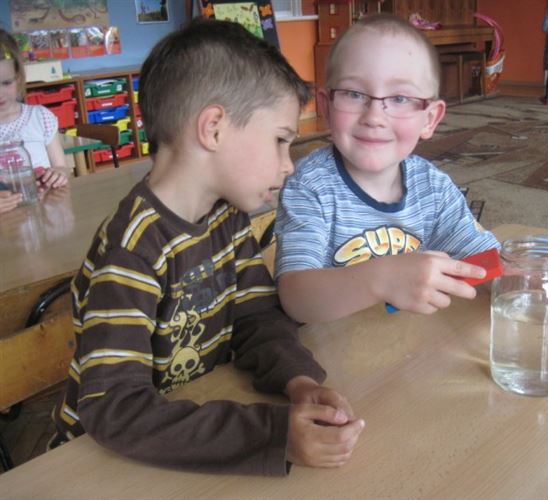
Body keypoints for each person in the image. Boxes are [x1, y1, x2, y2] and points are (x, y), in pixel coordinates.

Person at [50, 19, 364, 475]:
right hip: (100, 462)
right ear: (214, 128)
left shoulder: (226, 218)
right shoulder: (131, 250)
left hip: (186, 430)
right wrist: (272, 435)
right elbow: (115, 408)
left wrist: (297, 380)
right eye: (280, 140)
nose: (288, 166)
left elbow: (256, 317)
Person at [274, 14, 548, 325]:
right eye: (354, 94)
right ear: (326, 107)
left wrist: (529, 278)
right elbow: (295, 298)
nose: (374, 117)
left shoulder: (433, 188)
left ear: (430, 119)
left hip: (405, 343)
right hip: (333, 349)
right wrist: (381, 279)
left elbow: (479, 261)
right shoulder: (309, 185)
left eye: (400, 98)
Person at [0, 29, 68, 214]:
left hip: (43, 214)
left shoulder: (40, 118)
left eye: (6, 83)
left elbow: (61, 167)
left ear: (18, 78)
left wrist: (58, 174)